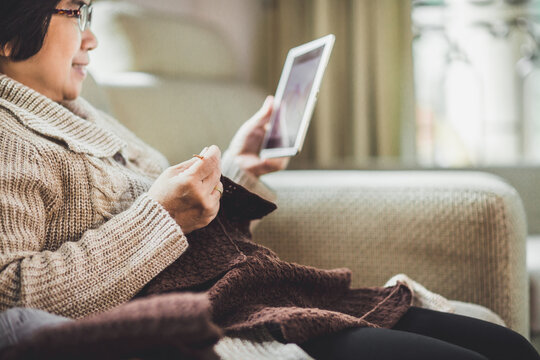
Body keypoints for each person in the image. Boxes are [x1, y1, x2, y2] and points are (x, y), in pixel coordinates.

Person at [0, 1, 538, 359]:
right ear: (8, 33)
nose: (91, 38)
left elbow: (186, 238)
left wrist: (240, 168)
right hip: (227, 322)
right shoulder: (9, 137)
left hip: (265, 291)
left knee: (507, 347)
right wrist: (160, 219)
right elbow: (14, 301)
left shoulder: (84, 111)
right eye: (75, 11)